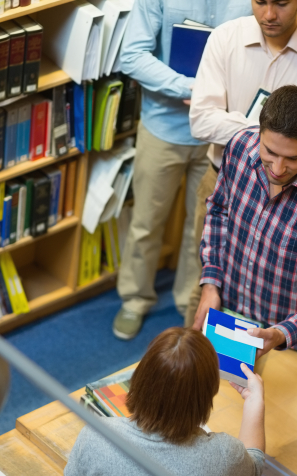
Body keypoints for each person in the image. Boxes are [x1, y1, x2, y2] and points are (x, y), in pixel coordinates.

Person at [184, 0, 297, 327]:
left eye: (282, 3)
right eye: (260, 1)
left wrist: (263, 135)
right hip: (224, 178)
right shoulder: (225, 39)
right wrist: (264, 135)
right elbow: (201, 122)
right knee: (207, 282)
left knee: (276, 292)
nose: (269, 14)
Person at [113, 0, 252, 340]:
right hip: (164, 127)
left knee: (203, 227)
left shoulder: (252, 4)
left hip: (220, 135)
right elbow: (131, 54)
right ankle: (135, 299)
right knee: (146, 221)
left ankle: (191, 301)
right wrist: (188, 87)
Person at [193, 86, 297, 357]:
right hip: (229, 315)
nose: (278, 169)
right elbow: (219, 212)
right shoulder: (239, 147)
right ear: (259, 131)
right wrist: (211, 284)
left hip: (289, 344)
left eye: (293, 158)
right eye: (270, 151)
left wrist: (281, 334)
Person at [60, 327, 265, 476]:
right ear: (207, 396)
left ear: (140, 378)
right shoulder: (224, 455)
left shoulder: (94, 437)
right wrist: (254, 402)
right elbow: (252, 473)